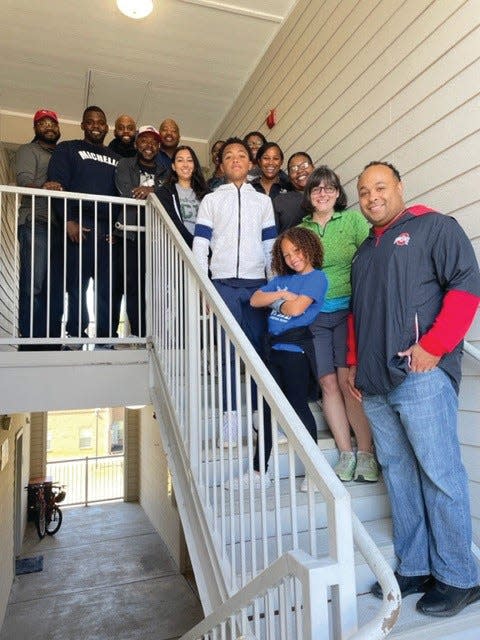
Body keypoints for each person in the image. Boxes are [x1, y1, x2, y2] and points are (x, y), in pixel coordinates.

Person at [348, 161, 480, 616]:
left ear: (399, 188)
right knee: (400, 478)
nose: (372, 197)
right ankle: (417, 566)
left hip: (420, 377)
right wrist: (355, 366)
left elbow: (467, 285)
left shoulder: (435, 228)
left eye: (380, 187)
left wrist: (436, 347)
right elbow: (357, 316)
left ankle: (460, 577)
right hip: (376, 384)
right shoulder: (364, 253)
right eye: (364, 192)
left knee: (440, 476)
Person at [228, 227, 328, 491]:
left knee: (298, 408)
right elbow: (255, 299)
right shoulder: (283, 281)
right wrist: (282, 296)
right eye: (286, 254)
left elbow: (297, 310)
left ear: (309, 247)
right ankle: (260, 472)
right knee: (264, 411)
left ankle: (316, 473)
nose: (293, 258)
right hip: (273, 352)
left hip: (296, 353)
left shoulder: (317, 278)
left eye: (297, 250)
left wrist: (277, 302)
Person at [193, 137, 276, 442]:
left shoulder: (262, 201)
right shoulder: (212, 200)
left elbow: (270, 246)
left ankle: (258, 415)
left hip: (256, 286)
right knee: (227, 353)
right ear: (222, 165)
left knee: (257, 352)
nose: (236, 159)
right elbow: (200, 245)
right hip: (223, 284)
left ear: (250, 163)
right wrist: (204, 286)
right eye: (229, 156)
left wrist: (274, 285)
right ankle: (230, 420)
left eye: (242, 155)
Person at [299, 166, 377, 482]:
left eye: (329, 188)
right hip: (315, 316)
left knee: (348, 383)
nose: (323, 193)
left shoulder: (353, 220)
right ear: (309, 194)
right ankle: (345, 454)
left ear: (337, 193)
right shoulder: (301, 228)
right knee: (328, 384)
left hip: (348, 311)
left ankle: (367, 454)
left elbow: (372, 255)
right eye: (316, 188)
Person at [48, 105, 121, 347]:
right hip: (79, 223)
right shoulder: (67, 149)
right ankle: (76, 334)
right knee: (77, 285)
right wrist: (68, 220)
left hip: (108, 228)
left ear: (107, 127)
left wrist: (117, 229)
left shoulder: (117, 159)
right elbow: (57, 184)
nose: (96, 126)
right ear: (82, 125)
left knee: (106, 287)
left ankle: (105, 336)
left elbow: (123, 196)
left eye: (100, 122)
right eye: (90, 122)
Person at [15, 109, 63, 349]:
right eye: (43, 123)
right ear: (35, 128)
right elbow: (24, 181)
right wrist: (46, 186)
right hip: (36, 221)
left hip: (58, 227)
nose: (48, 127)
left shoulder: (63, 153)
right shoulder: (28, 150)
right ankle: (31, 341)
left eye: (52, 123)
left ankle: (52, 340)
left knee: (55, 286)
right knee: (34, 283)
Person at [115, 125, 167, 338]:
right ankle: (138, 333)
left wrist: (151, 190)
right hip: (131, 234)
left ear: (158, 146)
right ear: (137, 144)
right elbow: (127, 190)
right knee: (133, 285)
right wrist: (152, 192)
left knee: (157, 286)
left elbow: (168, 195)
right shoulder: (125, 164)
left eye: (153, 141)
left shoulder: (166, 169)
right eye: (144, 140)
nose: (149, 145)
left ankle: (158, 334)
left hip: (156, 236)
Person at [155, 145, 209, 248]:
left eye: (189, 160)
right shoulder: (165, 193)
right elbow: (174, 224)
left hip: (205, 251)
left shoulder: (207, 193)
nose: (185, 165)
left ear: (195, 166)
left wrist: (207, 248)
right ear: (173, 166)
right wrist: (195, 245)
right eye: (180, 160)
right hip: (178, 250)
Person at [273, 152, 315, 233]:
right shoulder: (280, 202)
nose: (300, 171)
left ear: (313, 168)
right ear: (289, 176)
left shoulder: (327, 194)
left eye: (304, 165)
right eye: (293, 169)